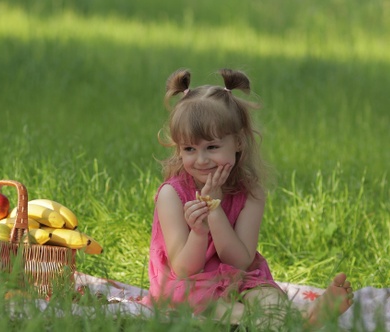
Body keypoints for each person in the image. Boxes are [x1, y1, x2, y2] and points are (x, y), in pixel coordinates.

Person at [144, 68, 354, 328]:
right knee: (203, 305)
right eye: (189, 149)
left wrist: (215, 211)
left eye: (212, 147)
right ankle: (295, 321)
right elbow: (184, 269)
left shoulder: (250, 192)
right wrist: (199, 232)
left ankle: (285, 317)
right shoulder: (172, 195)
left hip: (239, 276)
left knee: (266, 296)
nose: (201, 159)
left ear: (239, 142)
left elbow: (240, 261)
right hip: (187, 285)